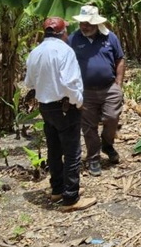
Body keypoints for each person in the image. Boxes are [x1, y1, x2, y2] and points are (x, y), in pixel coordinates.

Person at [23, 17, 93, 211]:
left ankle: (57, 190)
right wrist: (78, 102)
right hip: (65, 107)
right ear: (63, 33)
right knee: (72, 152)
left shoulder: (35, 52)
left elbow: (28, 83)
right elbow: (70, 82)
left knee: (54, 149)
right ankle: (70, 198)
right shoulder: (65, 50)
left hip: (45, 107)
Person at [68, 6, 125, 178]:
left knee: (112, 117)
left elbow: (120, 59)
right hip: (85, 91)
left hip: (109, 88)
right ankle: (93, 158)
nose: (84, 26)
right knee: (88, 126)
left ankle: (107, 144)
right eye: (82, 23)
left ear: (96, 24)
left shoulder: (109, 37)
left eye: (88, 23)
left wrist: (119, 84)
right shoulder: (73, 39)